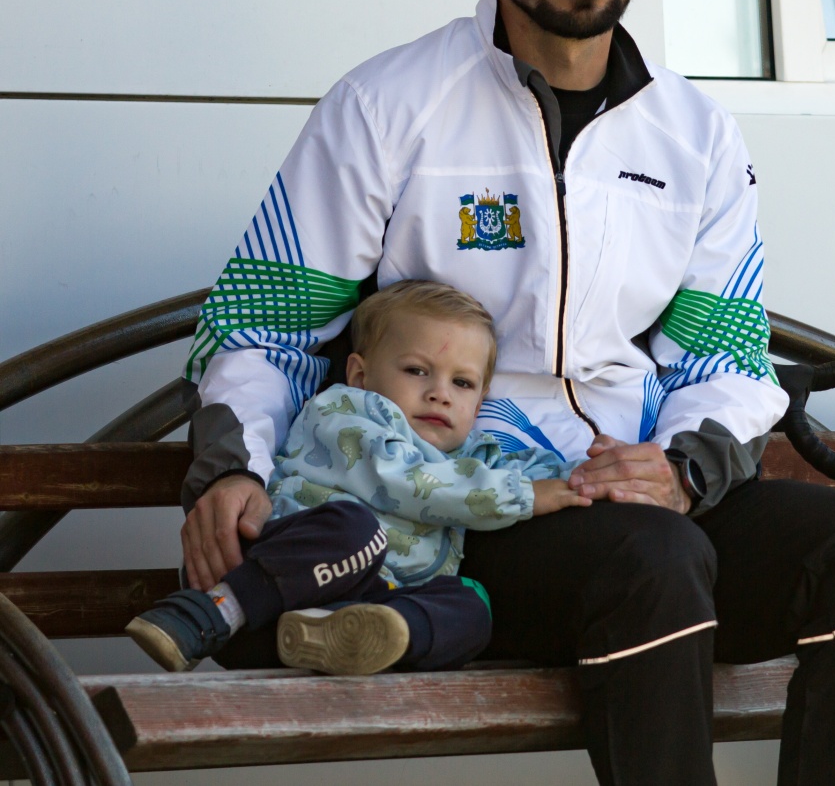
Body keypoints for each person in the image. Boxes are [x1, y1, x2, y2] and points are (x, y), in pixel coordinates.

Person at [177, 0, 835, 784]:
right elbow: (262, 327)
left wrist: (683, 470)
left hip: (644, 497)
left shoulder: (694, 133)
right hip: (465, 521)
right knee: (652, 559)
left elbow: (725, 358)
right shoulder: (387, 105)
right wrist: (228, 468)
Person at [130, 280, 588, 675]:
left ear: (481, 400)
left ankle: (378, 638)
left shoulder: (472, 455)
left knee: (471, 601)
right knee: (355, 530)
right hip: (268, 594)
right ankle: (207, 612)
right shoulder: (346, 412)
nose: (440, 394)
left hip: (339, 616)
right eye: (417, 371)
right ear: (360, 374)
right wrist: (525, 495)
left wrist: (590, 477)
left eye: (462, 383)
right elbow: (406, 481)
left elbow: (533, 470)